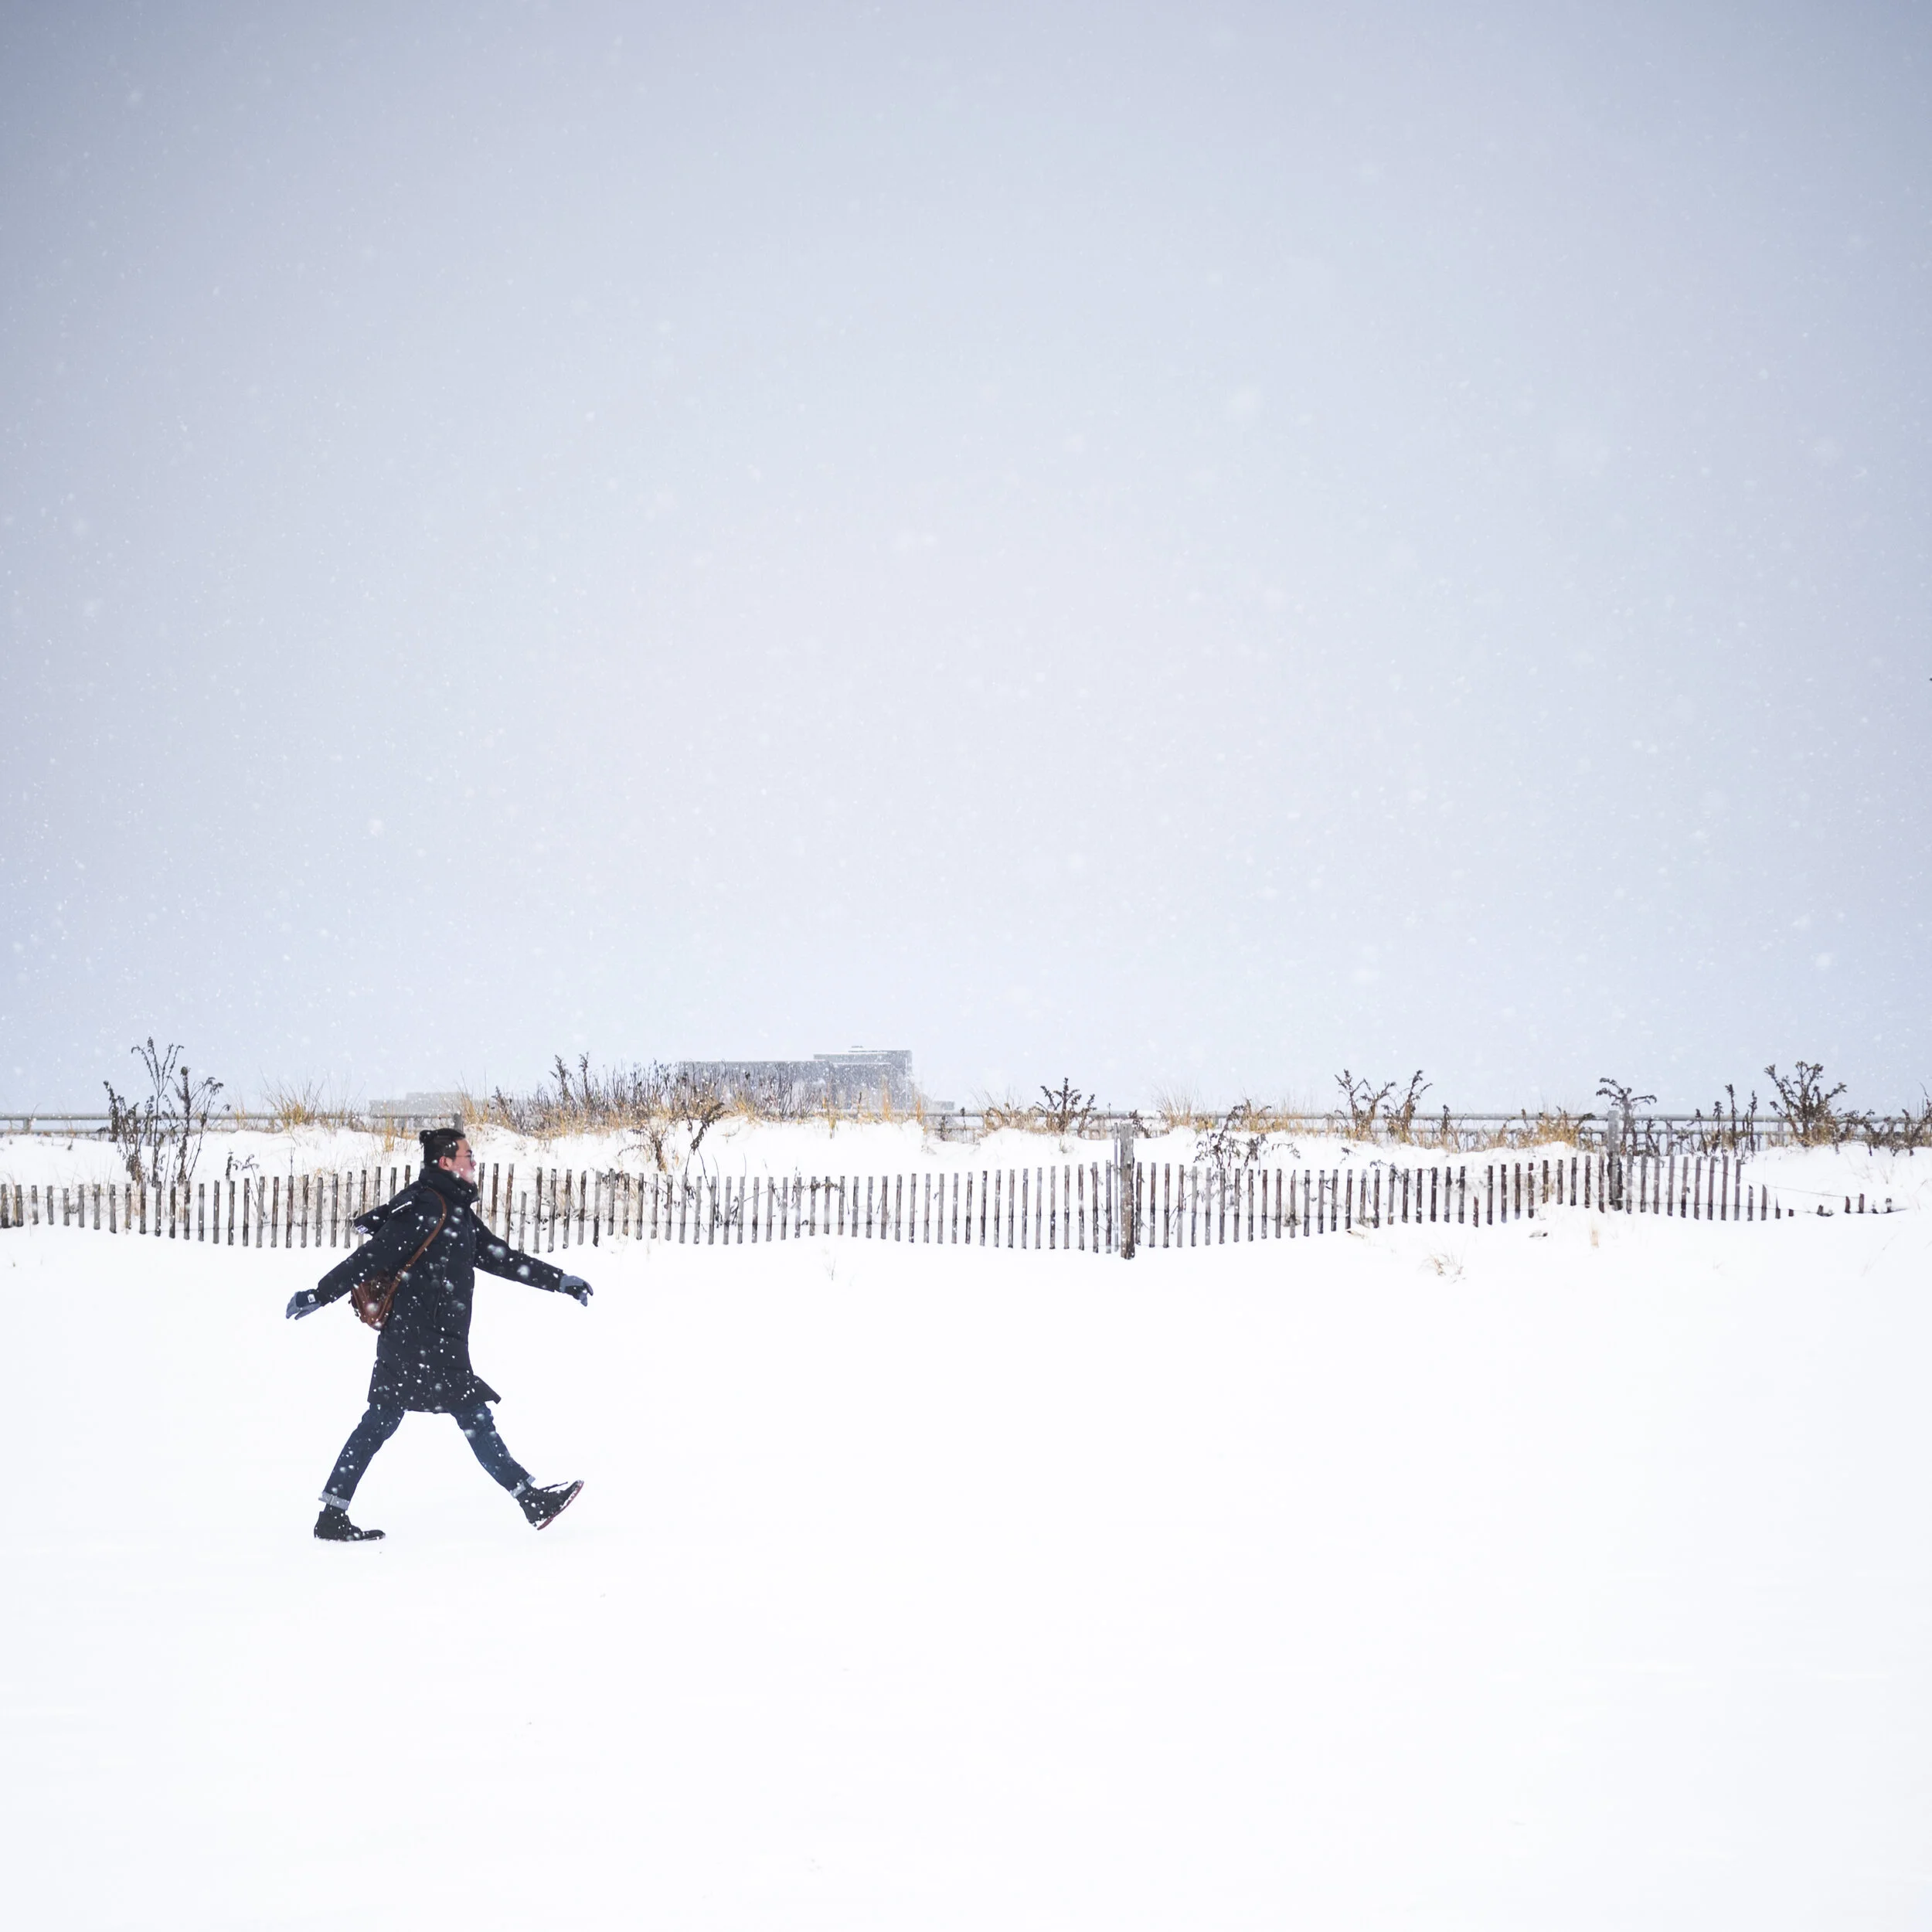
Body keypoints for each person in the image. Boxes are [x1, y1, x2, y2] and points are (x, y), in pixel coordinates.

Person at [286, 1126, 592, 1541]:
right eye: (467, 1155)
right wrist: (319, 1294)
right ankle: (529, 1499)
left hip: (427, 1339)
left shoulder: (454, 1210)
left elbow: (500, 1257)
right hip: (424, 1341)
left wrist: (559, 1280)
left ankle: (332, 1514)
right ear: (445, 1162)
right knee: (473, 1419)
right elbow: (371, 1256)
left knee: (381, 1420)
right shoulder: (428, 1208)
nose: (473, 1162)